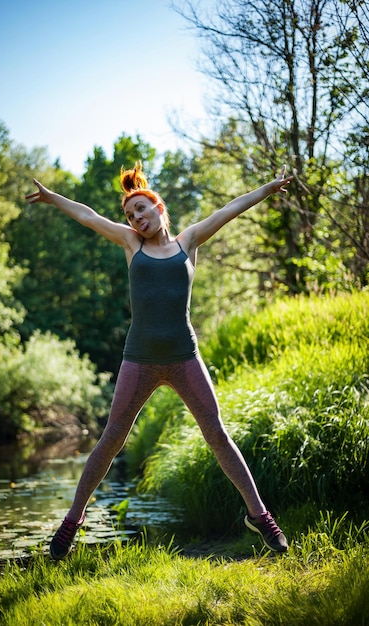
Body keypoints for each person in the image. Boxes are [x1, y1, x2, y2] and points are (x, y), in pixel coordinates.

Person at [25, 162, 293, 560]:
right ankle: (74, 519)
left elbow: (228, 210)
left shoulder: (189, 242)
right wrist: (51, 198)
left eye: (141, 210)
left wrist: (267, 190)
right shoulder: (132, 245)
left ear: (158, 207)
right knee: (112, 438)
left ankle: (259, 515)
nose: (135, 219)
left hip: (184, 357)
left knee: (216, 433)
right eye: (130, 215)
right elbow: (88, 215)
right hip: (140, 360)